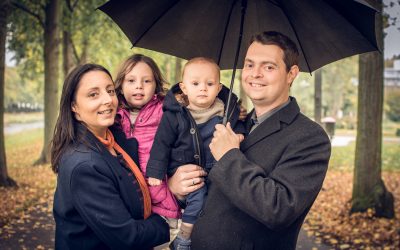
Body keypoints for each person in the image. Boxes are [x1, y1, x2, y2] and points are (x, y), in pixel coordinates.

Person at [170, 31, 332, 249]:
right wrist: (177, 187)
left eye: (268, 67)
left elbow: (278, 208)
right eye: (249, 65)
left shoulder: (309, 137)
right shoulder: (232, 123)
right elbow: (210, 188)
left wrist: (229, 156)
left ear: (291, 73)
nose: (255, 74)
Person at [51, 63, 169, 250]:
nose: (108, 100)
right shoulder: (84, 165)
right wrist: (165, 220)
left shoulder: (113, 139)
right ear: (74, 106)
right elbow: (127, 237)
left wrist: (173, 188)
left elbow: (134, 187)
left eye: (110, 91)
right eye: (93, 94)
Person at [146, 57, 245, 249]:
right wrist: (155, 171)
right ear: (183, 88)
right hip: (187, 168)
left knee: (216, 202)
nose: (203, 88)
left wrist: (240, 134)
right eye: (195, 83)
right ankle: (184, 237)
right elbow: (162, 143)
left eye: (210, 84)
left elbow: (237, 126)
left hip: (216, 169)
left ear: (218, 88)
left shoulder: (226, 111)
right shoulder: (175, 114)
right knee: (197, 197)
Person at [113, 54, 182, 225]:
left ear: (156, 86)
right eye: (131, 81)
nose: (139, 86)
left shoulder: (164, 110)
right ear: (120, 86)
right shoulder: (114, 115)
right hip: (129, 195)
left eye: (146, 81)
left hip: (160, 192)